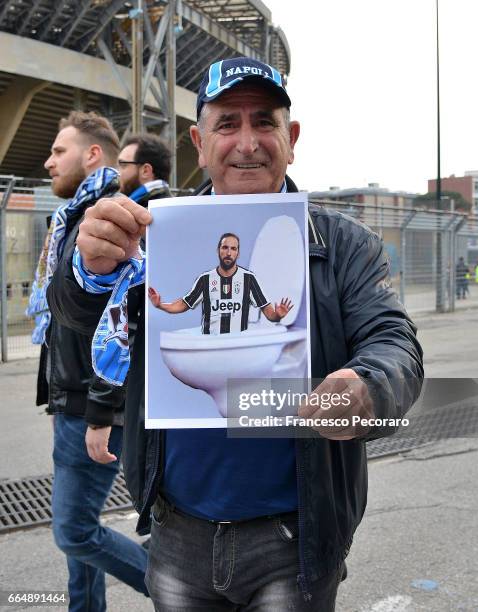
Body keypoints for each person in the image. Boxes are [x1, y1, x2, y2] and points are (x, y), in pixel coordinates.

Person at [48, 58, 424, 610]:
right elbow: (77, 313)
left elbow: (395, 340)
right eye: (227, 124)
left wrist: (368, 385)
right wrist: (90, 268)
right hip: (178, 535)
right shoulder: (153, 230)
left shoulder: (344, 245)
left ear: (291, 139)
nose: (247, 142)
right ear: (199, 143)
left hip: (293, 541)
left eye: (264, 122)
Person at [27, 111, 149, 611]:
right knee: (79, 533)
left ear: (91, 154)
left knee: (74, 530)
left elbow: (124, 321)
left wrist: (102, 409)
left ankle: (184, 587)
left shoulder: (103, 218)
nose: (49, 160)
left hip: (88, 402)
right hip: (72, 399)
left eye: (60, 151)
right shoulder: (71, 217)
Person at [148, 232, 292, 334]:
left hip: (237, 344)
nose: (229, 252)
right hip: (210, 345)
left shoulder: (249, 279)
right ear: (218, 251)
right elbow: (183, 304)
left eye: (233, 249)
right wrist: (160, 305)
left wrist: (278, 315)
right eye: (225, 247)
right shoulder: (205, 279)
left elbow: (269, 314)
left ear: (238, 253)